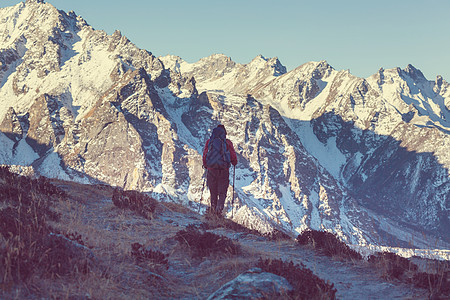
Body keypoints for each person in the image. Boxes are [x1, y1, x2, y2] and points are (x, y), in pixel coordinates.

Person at [202, 124, 237, 216]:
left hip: (211, 169)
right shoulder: (227, 142)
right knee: (222, 192)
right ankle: (219, 211)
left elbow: (205, 154)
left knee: (213, 191)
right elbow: (233, 156)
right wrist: (234, 163)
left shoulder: (209, 142)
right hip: (223, 170)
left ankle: (213, 211)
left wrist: (206, 165)